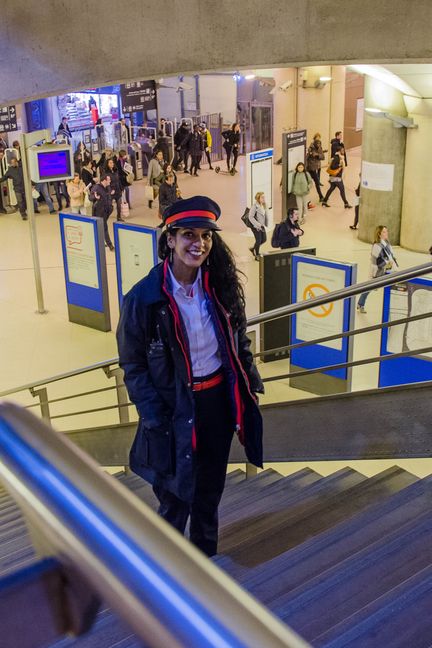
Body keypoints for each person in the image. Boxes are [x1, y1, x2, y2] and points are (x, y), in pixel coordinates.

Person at [116, 195, 264, 557]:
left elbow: (237, 340)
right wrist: (153, 413)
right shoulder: (144, 300)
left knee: (209, 491)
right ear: (170, 239)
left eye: (206, 236)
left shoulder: (220, 288)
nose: (199, 244)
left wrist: (250, 381)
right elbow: (133, 365)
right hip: (172, 409)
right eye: (189, 235)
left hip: (216, 405)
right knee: (174, 497)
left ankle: (204, 561)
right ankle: (166, 570)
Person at [357, 225, 397, 313]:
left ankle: (393, 308)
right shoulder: (377, 245)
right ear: (379, 234)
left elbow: (391, 256)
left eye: (386, 231)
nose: (386, 233)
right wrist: (387, 263)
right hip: (378, 271)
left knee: (393, 286)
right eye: (384, 232)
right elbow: (376, 261)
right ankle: (360, 304)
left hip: (388, 269)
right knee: (369, 287)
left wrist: (391, 263)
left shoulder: (386, 243)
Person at [90, 174, 114, 251]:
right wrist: (95, 197)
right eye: (109, 179)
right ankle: (110, 245)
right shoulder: (96, 188)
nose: (110, 181)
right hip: (100, 212)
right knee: (104, 227)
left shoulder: (108, 187)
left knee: (101, 227)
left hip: (107, 210)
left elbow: (109, 196)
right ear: (104, 180)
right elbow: (90, 197)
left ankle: (99, 241)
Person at [248, 192, 269, 259]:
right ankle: (256, 255)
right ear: (258, 198)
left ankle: (253, 249)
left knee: (264, 239)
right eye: (262, 197)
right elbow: (250, 217)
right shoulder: (254, 207)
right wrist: (257, 225)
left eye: (264, 197)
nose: (264, 198)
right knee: (258, 240)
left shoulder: (263, 205)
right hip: (256, 226)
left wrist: (265, 223)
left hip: (261, 225)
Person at [306, 133, 326, 201]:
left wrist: (317, 155)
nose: (318, 145)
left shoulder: (320, 148)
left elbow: (323, 157)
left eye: (319, 144)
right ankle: (319, 196)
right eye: (317, 144)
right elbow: (307, 157)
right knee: (310, 183)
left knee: (316, 183)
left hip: (316, 167)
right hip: (310, 168)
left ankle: (320, 197)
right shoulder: (311, 148)